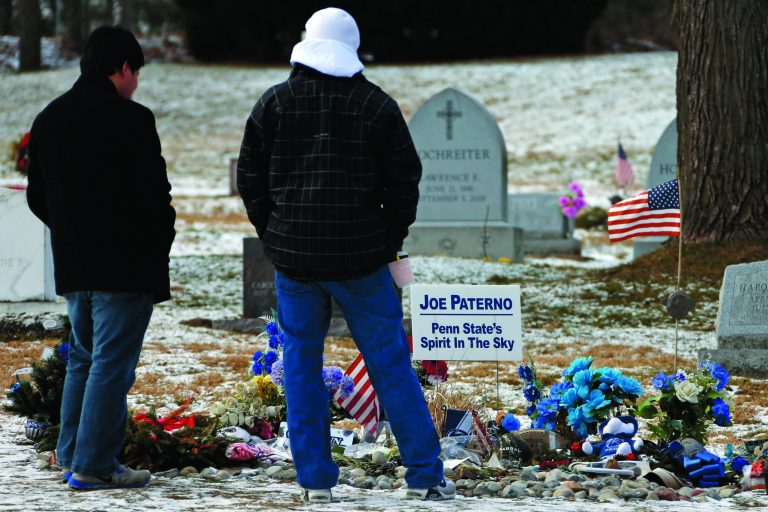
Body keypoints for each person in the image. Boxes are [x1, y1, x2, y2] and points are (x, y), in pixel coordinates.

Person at [237, 7, 454, 504]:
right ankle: (424, 473)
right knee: (390, 365)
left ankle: (314, 479)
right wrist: (386, 239)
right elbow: (405, 181)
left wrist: (273, 234)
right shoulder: (376, 106)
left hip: (295, 261)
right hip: (362, 260)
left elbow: (250, 177)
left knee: (300, 366)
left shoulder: (274, 102)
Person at [26, 26, 175, 490]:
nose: (136, 84)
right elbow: (155, 195)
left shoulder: (50, 118)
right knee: (111, 364)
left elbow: (36, 197)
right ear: (123, 68)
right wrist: (158, 238)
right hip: (125, 264)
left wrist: (71, 233)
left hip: (76, 263)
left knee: (84, 361)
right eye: (136, 73)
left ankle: (71, 454)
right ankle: (94, 465)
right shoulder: (131, 120)